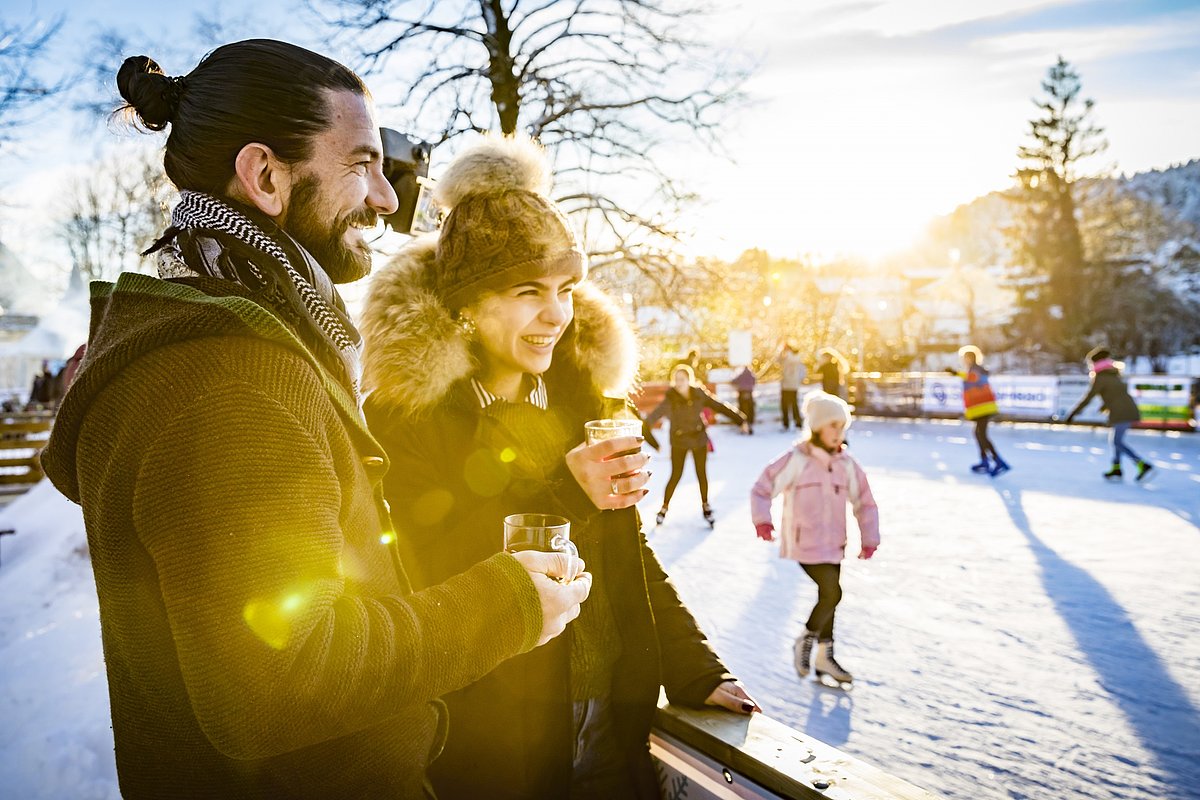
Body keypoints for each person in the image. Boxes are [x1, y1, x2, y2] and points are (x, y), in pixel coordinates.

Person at [39, 41, 591, 800]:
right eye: (361, 164)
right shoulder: (231, 381)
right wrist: (508, 604)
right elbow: (279, 678)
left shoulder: (226, 342)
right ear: (265, 176)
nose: (388, 199)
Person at [359, 134, 758, 800]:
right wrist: (569, 494)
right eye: (528, 291)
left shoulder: (584, 400)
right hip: (491, 734)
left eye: (567, 289)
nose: (556, 315)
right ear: (466, 304)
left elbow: (626, 549)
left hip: (611, 717)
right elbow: (425, 566)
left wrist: (694, 666)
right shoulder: (409, 416)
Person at [749, 391, 879, 687]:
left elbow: (865, 502)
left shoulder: (847, 464)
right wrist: (763, 520)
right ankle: (807, 639)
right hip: (804, 543)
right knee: (832, 593)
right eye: (833, 425)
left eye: (842, 426)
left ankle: (823, 658)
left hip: (834, 544)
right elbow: (762, 488)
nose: (839, 432)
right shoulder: (797, 459)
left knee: (828, 596)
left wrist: (869, 537)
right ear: (817, 426)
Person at [645, 363, 749, 526]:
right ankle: (664, 507)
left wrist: (740, 419)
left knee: (702, 474)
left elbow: (719, 406)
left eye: (682, 379)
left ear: (689, 380)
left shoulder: (699, 394)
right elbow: (649, 421)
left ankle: (706, 506)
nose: (679, 383)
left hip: (698, 439)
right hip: (679, 441)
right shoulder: (671, 398)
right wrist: (654, 443)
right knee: (675, 475)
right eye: (676, 379)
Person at [1064, 346, 1153, 481]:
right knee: (1116, 441)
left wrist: (1073, 413)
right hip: (1126, 410)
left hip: (1122, 412)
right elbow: (1116, 393)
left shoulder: (1101, 377)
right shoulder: (1113, 374)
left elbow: (1088, 397)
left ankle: (1141, 464)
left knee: (1117, 441)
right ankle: (1116, 468)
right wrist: (1105, 405)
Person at [946, 344, 1010, 477]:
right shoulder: (973, 370)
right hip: (980, 408)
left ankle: (998, 461)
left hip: (984, 408)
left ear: (970, 358)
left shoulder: (976, 370)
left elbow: (973, 378)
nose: (964, 360)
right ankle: (985, 460)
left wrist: (956, 373)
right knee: (978, 434)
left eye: (965, 358)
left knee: (982, 435)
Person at [773, 339, 807, 431]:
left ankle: (786, 424)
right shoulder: (797, 356)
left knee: (785, 405)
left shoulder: (787, 355)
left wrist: (782, 351)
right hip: (794, 384)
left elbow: (778, 361)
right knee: (794, 404)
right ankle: (798, 423)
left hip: (786, 384)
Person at [731, 363, 757, 434]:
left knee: (742, 409)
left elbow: (734, 381)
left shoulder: (741, 375)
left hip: (742, 393)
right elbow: (754, 382)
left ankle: (742, 423)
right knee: (750, 410)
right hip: (749, 393)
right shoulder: (751, 375)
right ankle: (750, 423)